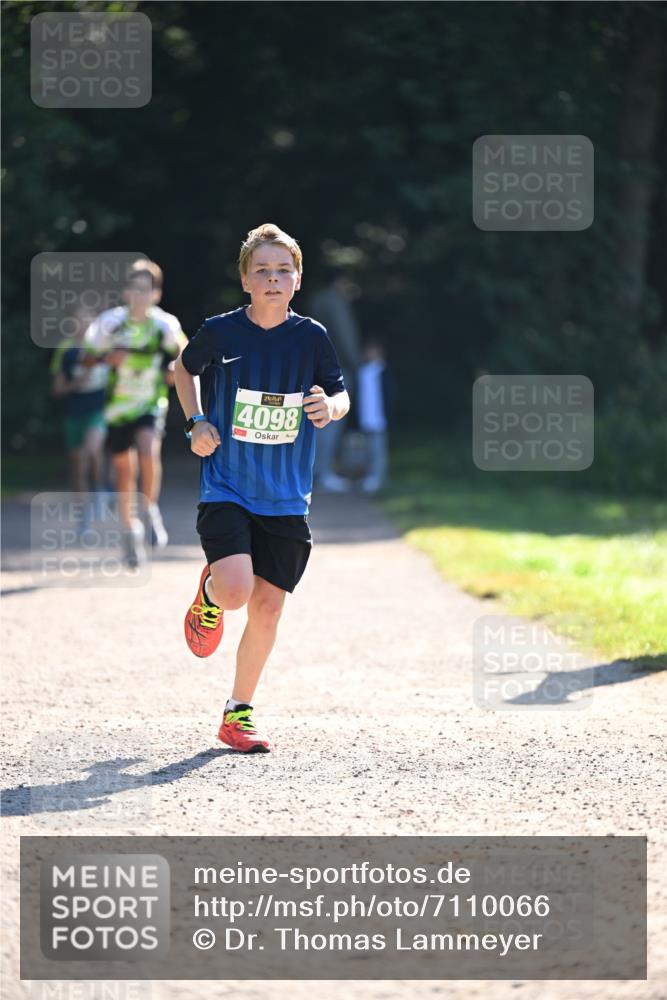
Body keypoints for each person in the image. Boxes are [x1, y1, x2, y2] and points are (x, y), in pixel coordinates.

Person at [174, 223, 350, 753]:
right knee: (234, 591)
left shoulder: (312, 336)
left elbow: (340, 397)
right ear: (246, 281)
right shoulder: (222, 331)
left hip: (287, 496)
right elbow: (181, 370)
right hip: (227, 485)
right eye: (262, 271)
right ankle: (209, 593)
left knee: (268, 608)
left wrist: (328, 409)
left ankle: (238, 713)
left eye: (283, 271)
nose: (273, 279)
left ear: (297, 280)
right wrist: (196, 423)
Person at [84, 260, 187, 567]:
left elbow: (186, 353)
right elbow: (86, 359)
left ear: (157, 294)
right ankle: (130, 531)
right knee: (124, 472)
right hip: (117, 407)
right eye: (135, 289)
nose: (140, 295)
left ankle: (149, 508)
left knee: (147, 449)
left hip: (150, 402)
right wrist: (106, 359)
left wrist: (173, 368)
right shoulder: (109, 323)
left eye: (147, 289)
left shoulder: (164, 324)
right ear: (126, 292)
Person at [307, 267, 361, 492]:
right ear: (340, 281)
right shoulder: (336, 302)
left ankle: (315, 471)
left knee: (316, 421)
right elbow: (345, 336)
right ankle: (323, 472)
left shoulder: (316, 300)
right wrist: (356, 363)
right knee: (331, 421)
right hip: (337, 369)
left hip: (314, 367)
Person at [50, 305, 109, 497]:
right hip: (74, 411)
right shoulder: (66, 351)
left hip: (98, 409)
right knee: (77, 464)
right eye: (79, 320)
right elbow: (57, 389)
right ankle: (82, 510)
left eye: (88, 320)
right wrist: (78, 383)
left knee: (92, 450)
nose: (84, 324)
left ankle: (100, 488)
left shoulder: (105, 348)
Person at [357, 337, 390, 493]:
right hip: (366, 416)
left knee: (378, 449)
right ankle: (370, 476)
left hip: (379, 417)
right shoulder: (363, 371)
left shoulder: (383, 371)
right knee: (368, 449)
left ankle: (378, 477)